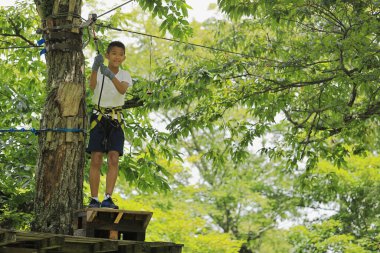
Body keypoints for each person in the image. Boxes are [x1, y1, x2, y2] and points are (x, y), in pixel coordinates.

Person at [86, 41, 132, 209]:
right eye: (113, 53)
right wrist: (95, 68)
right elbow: (92, 87)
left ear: (124, 57)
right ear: (107, 56)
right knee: (96, 157)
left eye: (120, 54)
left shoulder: (125, 74)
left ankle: (108, 197)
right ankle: (94, 198)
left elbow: (122, 90)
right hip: (99, 117)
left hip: (115, 119)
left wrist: (111, 76)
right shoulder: (98, 72)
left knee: (113, 157)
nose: (117, 57)